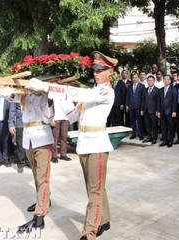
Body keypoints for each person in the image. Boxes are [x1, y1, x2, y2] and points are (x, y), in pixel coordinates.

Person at [43, 51, 117, 240]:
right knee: (95, 187)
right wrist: (55, 99)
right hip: (85, 145)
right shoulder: (91, 93)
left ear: (110, 71)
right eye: (94, 69)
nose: (96, 73)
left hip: (97, 145)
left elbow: (85, 95)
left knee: (94, 191)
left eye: (101, 70)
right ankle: (104, 219)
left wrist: (55, 88)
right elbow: (73, 115)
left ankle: (89, 233)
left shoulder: (106, 91)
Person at [1, 80, 55, 233]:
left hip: (42, 136)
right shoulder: (24, 93)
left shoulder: (44, 92)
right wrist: (8, 92)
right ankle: (44, 201)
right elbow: (13, 97)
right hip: (29, 138)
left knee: (42, 177)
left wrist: (46, 90)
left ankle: (40, 216)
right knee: (36, 175)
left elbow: (50, 115)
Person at [8, 102, 30, 173]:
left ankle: (29, 161)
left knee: (29, 144)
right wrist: (11, 124)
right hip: (20, 124)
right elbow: (12, 111)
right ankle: (21, 163)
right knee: (20, 144)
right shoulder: (16, 95)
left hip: (30, 124)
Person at [50, 98, 73, 163]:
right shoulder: (53, 94)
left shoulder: (66, 94)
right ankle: (54, 155)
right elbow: (49, 106)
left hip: (65, 118)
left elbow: (71, 106)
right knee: (55, 137)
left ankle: (63, 154)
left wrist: (71, 117)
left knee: (64, 137)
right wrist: (51, 119)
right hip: (55, 117)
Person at [157, 75, 177, 147]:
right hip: (162, 112)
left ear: (170, 81)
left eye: (167, 79)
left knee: (170, 127)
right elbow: (159, 102)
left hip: (170, 112)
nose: (166, 81)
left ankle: (170, 141)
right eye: (164, 79)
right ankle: (165, 140)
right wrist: (158, 111)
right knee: (163, 127)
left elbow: (175, 101)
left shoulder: (173, 89)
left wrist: (174, 111)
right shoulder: (160, 90)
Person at [126, 71, 145, 140]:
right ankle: (133, 134)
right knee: (132, 121)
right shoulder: (129, 87)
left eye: (136, 77)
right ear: (131, 78)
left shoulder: (142, 86)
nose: (134, 79)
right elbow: (127, 96)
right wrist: (127, 105)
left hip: (138, 106)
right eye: (133, 78)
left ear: (138, 78)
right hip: (131, 106)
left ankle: (141, 134)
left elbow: (143, 98)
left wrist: (142, 108)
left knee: (140, 121)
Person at [141, 75, 159, 144]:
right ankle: (149, 136)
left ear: (154, 81)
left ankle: (154, 138)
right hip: (146, 110)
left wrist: (157, 110)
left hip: (153, 111)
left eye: (151, 81)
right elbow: (143, 100)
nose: (150, 82)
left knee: (154, 125)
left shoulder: (157, 90)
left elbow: (158, 102)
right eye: (148, 81)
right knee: (147, 125)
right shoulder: (145, 90)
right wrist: (142, 109)